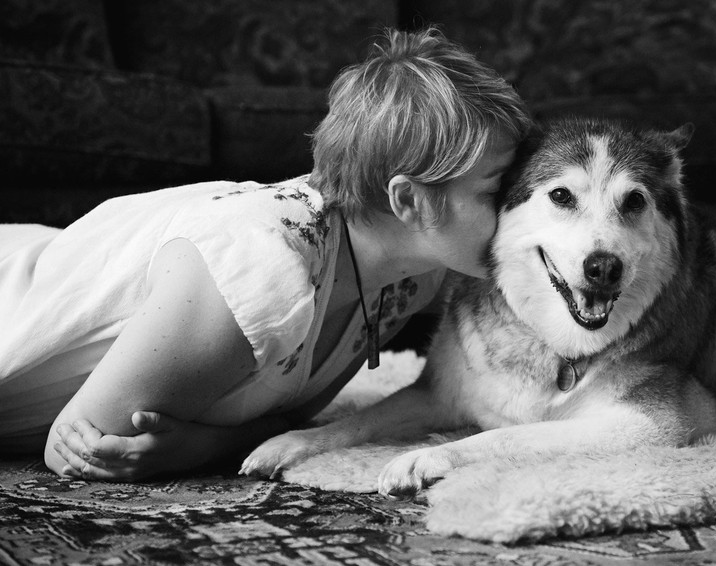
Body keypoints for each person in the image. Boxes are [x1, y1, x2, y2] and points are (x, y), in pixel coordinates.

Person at [0, 27, 531, 481]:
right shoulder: (261, 270)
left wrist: (209, 444)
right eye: (495, 190)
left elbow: (294, 415)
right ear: (409, 200)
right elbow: (76, 447)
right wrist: (210, 444)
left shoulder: (414, 274)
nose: (520, 207)